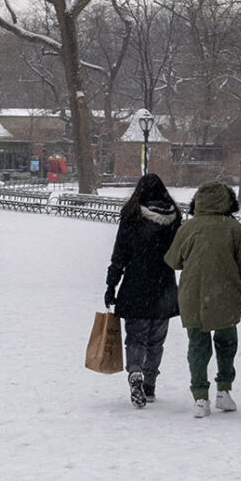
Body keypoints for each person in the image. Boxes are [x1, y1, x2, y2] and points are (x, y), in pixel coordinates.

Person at [164, 180, 241, 418]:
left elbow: (173, 261)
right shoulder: (235, 229)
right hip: (226, 294)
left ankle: (200, 397)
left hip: (192, 295)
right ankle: (224, 390)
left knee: (197, 346)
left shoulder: (188, 227)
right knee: (226, 343)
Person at [104, 174, 182, 408]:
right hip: (164, 285)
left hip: (136, 284)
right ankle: (149, 382)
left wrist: (111, 284)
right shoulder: (174, 218)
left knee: (136, 337)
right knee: (156, 340)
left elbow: (120, 255)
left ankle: (135, 372)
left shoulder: (132, 217)